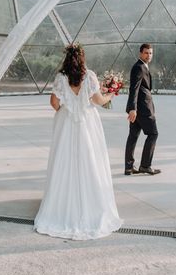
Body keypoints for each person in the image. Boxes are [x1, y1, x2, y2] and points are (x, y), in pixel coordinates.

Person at [34, 43, 123, 240]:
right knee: (89, 161)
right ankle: (91, 205)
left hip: (66, 124)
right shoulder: (89, 76)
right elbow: (99, 101)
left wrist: (64, 112)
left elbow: (54, 102)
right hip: (87, 124)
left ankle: (61, 206)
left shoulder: (61, 77)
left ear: (67, 59)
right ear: (82, 58)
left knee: (64, 162)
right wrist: (111, 93)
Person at [124, 43, 161, 176]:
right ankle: (145, 165)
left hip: (138, 109)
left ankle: (129, 167)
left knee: (133, 136)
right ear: (140, 53)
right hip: (143, 109)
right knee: (153, 134)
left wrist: (133, 108)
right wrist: (132, 109)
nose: (148, 55)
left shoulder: (141, 66)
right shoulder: (139, 67)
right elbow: (133, 89)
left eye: (150, 53)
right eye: (146, 53)